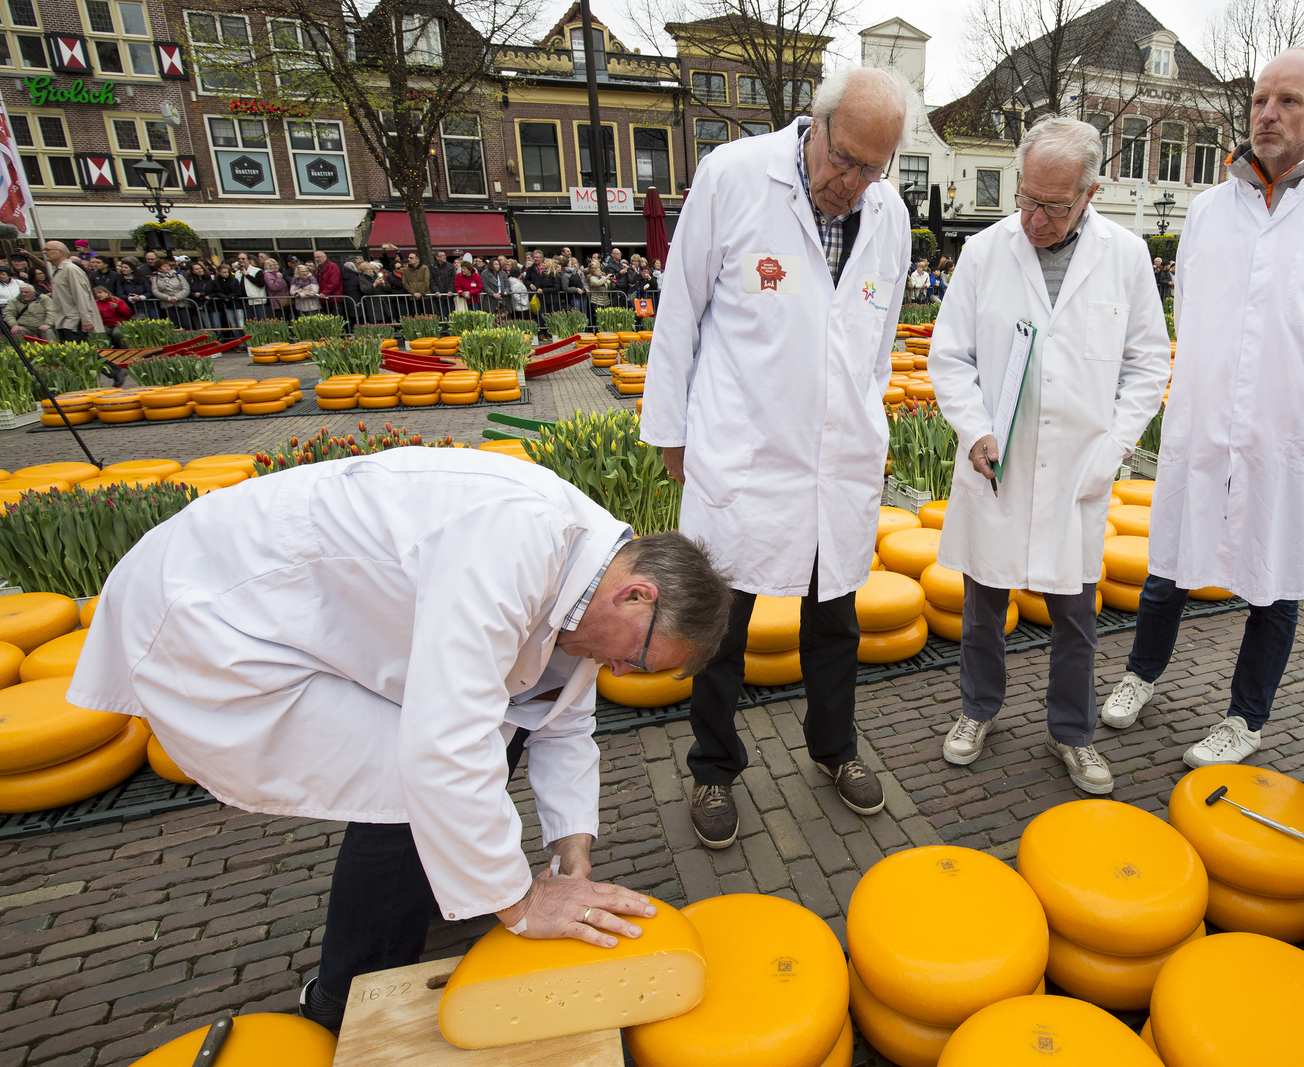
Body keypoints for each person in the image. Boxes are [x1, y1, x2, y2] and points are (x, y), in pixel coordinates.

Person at [66, 446, 735, 1033]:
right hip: (217, 609)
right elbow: (443, 742)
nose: (621, 673)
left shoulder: (597, 566)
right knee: (401, 784)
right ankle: (346, 998)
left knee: (477, 752)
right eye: (639, 660)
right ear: (636, 597)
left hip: (307, 610)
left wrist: (572, 844)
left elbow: (559, 717)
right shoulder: (514, 546)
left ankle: (436, 893)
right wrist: (520, 902)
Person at [642, 65, 917, 848]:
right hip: (745, 452)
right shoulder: (731, 177)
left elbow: (877, 333)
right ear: (816, 123)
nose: (851, 181)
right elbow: (680, 312)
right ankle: (712, 767)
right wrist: (671, 434)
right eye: (844, 158)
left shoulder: (887, 213)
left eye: (873, 167)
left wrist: (865, 425)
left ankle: (836, 751)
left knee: (834, 623)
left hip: (835, 464)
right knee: (719, 630)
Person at [1100, 49, 1304, 769]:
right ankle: (1141, 673)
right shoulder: (1207, 209)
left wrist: (1291, 381)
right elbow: (1190, 309)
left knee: (1277, 577)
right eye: (1261, 100)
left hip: (1288, 429)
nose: (1268, 114)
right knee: (1168, 562)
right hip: (1204, 420)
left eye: (1288, 101)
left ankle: (1244, 717)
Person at [927, 117, 1168, 792]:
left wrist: (1114, 446)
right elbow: (950, 357)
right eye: (1025, 199)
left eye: (1053, 206)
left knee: (1075, 617)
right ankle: (977, 708)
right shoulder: (982, 252)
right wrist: (974, 428)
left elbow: (1147, 365)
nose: (1033, 218)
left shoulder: (1123, 256)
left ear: (1091, 192)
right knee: (982, 606)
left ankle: (1072, 732)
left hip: (1077, 468)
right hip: (995, 463)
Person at [44, 239, 100, 342]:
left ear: (60, 252)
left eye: (47, 249)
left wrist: (86, 319)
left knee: (81, 355)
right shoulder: (59, 270)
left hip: (74, 322)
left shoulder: (71, 269)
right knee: (74, 355)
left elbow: (81, 295)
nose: (44, 252)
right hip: (63, 321)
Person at [235, 252, 269, 324]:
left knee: (262, 322)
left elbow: (260, 283)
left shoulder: (257, 271)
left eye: (243, 258)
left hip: (258, 301)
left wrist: (247, 275)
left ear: (249, 260)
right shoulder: (237, 273)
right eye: (239, 259)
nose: (241, 260)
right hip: (246, 302)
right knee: (251, 323)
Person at [313, 250, 342, 315]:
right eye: (315, 258)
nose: (317, 259)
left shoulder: (332, 266)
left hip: (333, 298)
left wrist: (324, 292)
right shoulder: (318, 269)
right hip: (323, 299)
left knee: (336, 319)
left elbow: (334, 282)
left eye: (318, 257)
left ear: (324, 257)